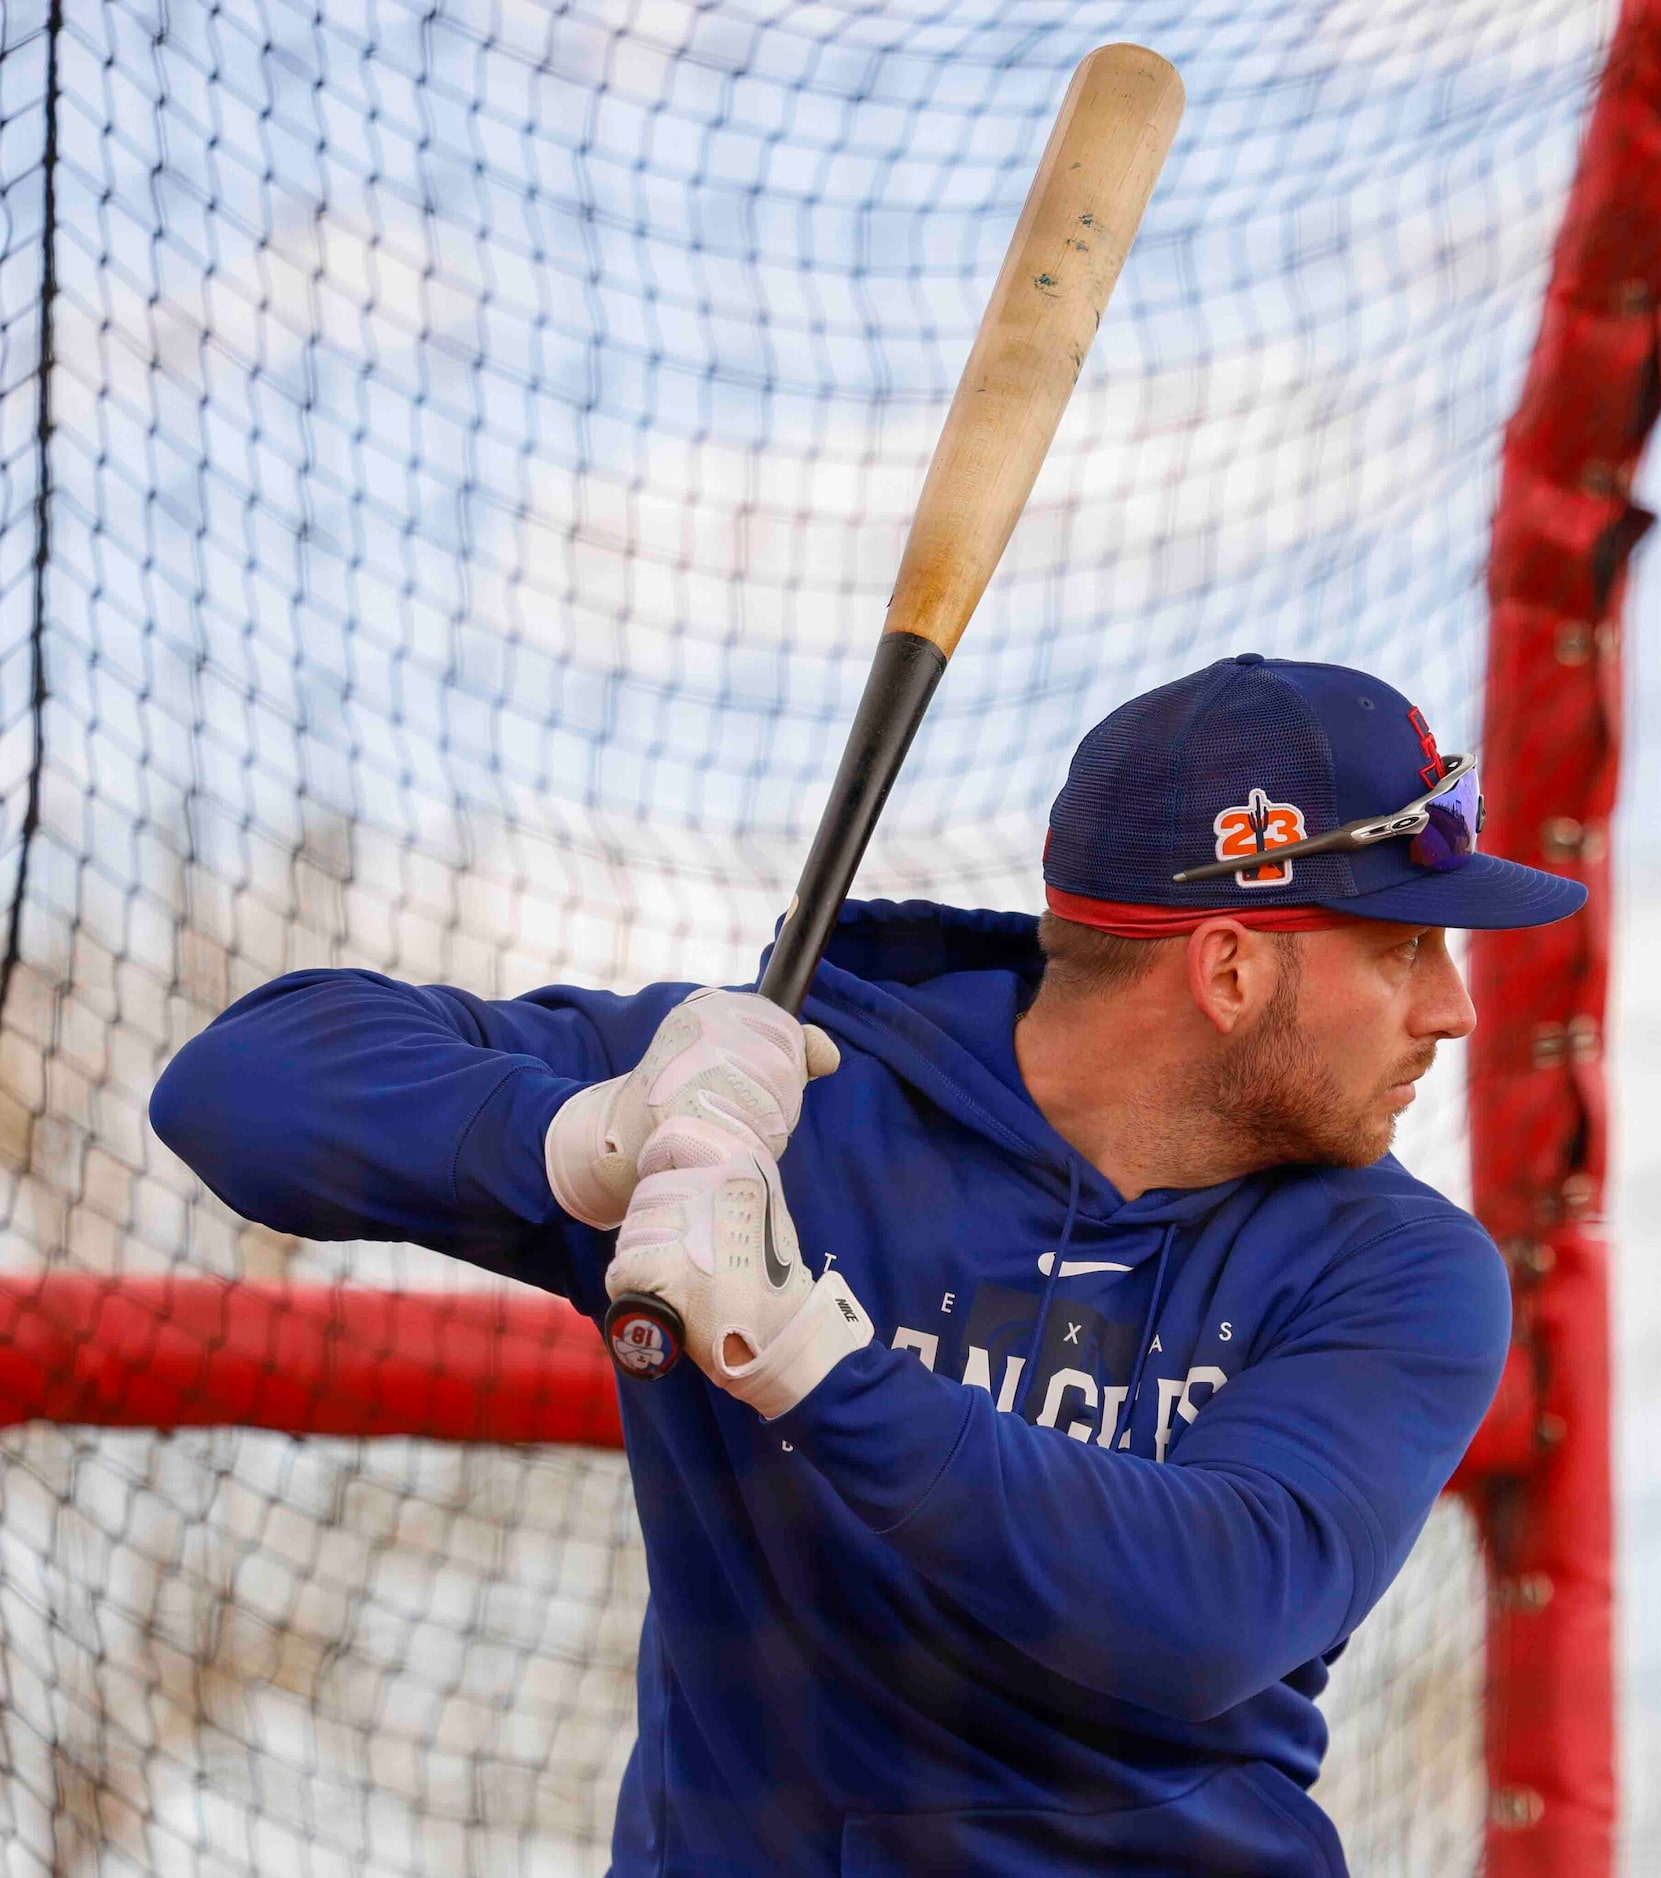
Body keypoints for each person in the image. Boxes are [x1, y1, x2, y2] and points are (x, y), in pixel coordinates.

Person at [149, 652, 1585, 1877]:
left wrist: (808, 1362)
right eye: (1403, 949)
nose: (1453, 1009)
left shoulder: (1400, 1268)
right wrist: (594, 1134)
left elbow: (1207, 1610)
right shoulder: (794, 1098)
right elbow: (237, 1087)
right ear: (1228, 971)